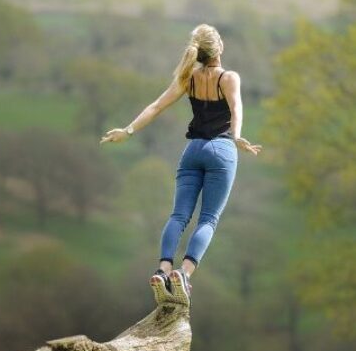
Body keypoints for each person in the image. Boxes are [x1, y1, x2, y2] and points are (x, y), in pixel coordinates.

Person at [100, 24, 262, 305]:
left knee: (178, 216)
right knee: (208, 218)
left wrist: (127, 131)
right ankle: (183, 274)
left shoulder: (188, 78)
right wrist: (236, 137)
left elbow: (156, 106)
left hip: (192, 151)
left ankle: (162, 270)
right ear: (219, 48)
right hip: (221, 151)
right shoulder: (229, 77)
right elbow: (236, 107)